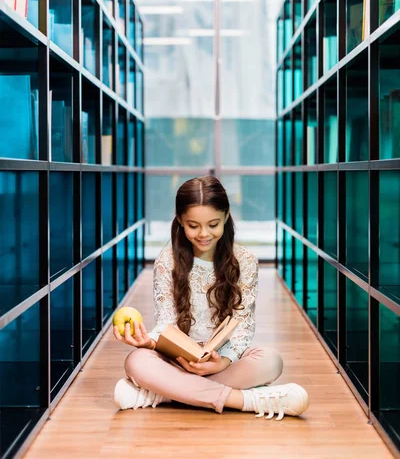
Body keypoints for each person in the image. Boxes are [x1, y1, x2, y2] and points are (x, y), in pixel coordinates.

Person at [113, 175, 309, 419]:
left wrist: (223, 361)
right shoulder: (166, 261)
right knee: (137, 360)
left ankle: (163, 393)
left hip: (222, 362)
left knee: (271, 360)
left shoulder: (245, 261)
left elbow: (243, 325)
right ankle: (246, 400)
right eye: (193, 226)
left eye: (213, 224)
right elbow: (166, 323)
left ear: (226, 217)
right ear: (180, 222)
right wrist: (148, 342)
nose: (203, 234)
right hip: (177, 362)